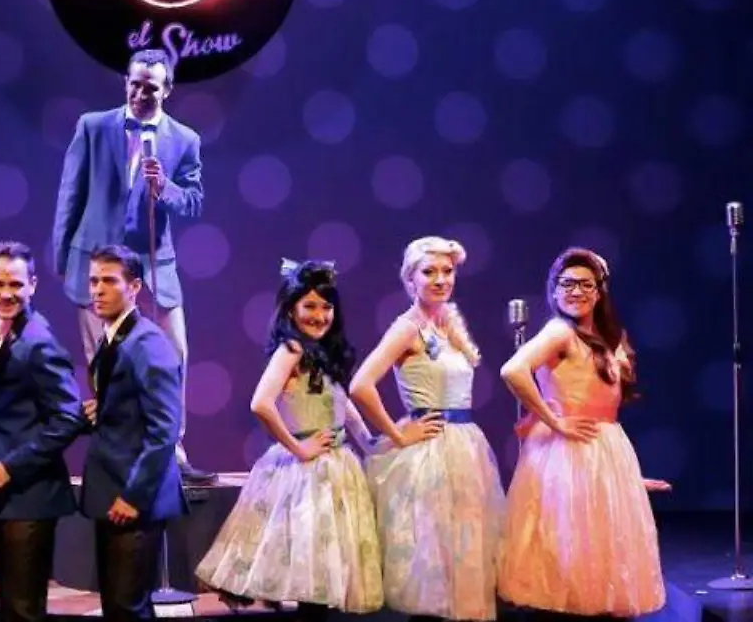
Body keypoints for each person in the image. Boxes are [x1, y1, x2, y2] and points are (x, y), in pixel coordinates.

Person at [52, 48, 214, 483]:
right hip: (95, 261)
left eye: (151, 87)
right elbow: (71, 192)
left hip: (153, 265)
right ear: (126, 82)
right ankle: (117, 444)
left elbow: (194, 201)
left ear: (168, 90)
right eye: (135, 84)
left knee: (173, 355)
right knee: (102, 359)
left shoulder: (185, 139)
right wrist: (63, 256)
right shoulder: (93, 127)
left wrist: (165, 189)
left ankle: (172, 449)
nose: (141, 93)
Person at [195, 259, 383, 620]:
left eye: (326, 307)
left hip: (336, 468)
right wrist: (299, 448)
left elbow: (344, 405)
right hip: (306, 473)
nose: (319, 315)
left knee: (325, 573)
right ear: (292, 309)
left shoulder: (323, 353)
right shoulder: (292, 350)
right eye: (309, 306)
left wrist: (369, 443)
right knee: (311, 570)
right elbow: (261, 403)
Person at [497, 247, 669, 617]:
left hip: (604, 446)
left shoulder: (608, 337)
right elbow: (513, 370)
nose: (576, 291)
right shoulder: (560, 331)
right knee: (571, 542)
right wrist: (553, 420)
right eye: (567, 284)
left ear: (600, 290)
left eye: (586, 284)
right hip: (569, 450)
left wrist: (628, 478)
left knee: (599, 543)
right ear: (554, 290)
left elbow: (603, 400)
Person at [347, 236, 506, 621]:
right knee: (433, 556)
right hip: (431, 450)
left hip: (465, 447)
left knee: (465, 551)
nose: (440, 279)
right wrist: (398, 434)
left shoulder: (448, 323)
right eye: (429, 272)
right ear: (410, 279)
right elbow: (360, 385)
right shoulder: (407, 328)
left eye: (447, 271)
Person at [0, 240, 86, 622]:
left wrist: (9, 466)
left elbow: (67, 418)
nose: (6, 294)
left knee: (23, 609)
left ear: (33, 285)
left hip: (31, 495)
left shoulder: (38, 341)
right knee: (13, 606)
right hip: (9, 495)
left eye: (16, 284)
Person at [78, 244, 188, 620]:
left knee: (127, 607)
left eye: (109, 281)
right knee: (118, 605)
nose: (98, 290)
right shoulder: (114, 338)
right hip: (114, 489)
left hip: (135, 496)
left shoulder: (148, 342)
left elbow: (164, 429)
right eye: (94, 281)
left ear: (135, 287)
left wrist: (134, 496)